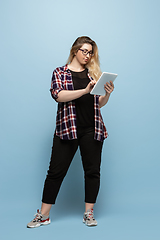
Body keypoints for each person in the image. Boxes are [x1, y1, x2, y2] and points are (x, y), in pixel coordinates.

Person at [27, 36, 114, 228]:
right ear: (75, 50)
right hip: (67, 128)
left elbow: (97, 104)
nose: (87, 55)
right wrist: (84, 90)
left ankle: (88, 213)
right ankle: (44, 215)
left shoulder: (93, 74)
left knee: (92, 172)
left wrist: (107, 93)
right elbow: (58, 96)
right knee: (55, 172)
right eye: (84, 51)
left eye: (90, 52)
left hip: (92, 128)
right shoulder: (60, 72)